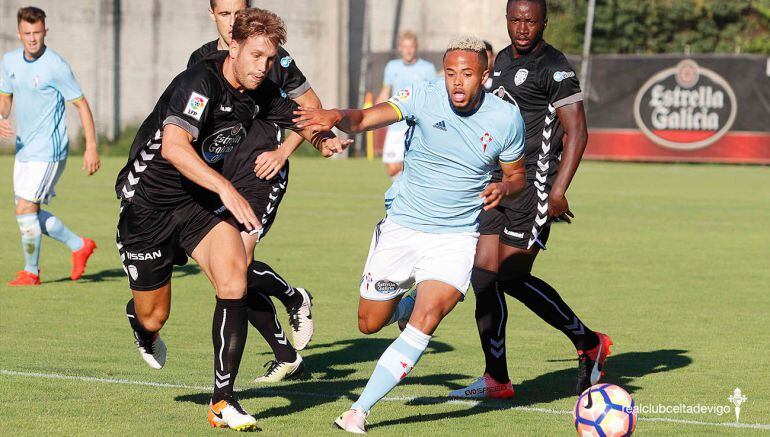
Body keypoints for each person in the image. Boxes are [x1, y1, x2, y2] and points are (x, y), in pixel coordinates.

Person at [115, 8, 348, 430]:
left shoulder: (258, 91)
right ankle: (141, 323)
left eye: (270, 59)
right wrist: (225, 188)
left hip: (196, 203)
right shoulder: (199, 82)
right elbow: (174, 147)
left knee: (234, 278)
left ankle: (222, 402)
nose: (264, 67)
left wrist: (324, 138)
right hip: (147, 204)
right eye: (256, 56)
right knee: (154, 315)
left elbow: (299, 117)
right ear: (234, 46)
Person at [295, 35, 526, 434]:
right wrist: (336, 115)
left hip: (455, 238)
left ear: (485, 75)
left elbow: (517, 174)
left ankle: (359, 411)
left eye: (467, 74)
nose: (457, 82)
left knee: (428, 318)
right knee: (369, 322)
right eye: (451, 73)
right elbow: (366, 118)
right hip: (403, 226)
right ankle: (403, 305)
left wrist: (504, 188)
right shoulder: (423, 94)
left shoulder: (507, 118)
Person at [449, 0, 611, 400]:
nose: (523, 27)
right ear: (507, 20)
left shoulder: (554, 67)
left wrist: (557, 191)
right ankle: (496, 379)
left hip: (535, 186)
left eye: (531, 20)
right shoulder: (500, 60)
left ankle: (589, 342)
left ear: (543, 23)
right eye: (516, 19)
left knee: (511, 276)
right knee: (483, 277)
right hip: (499, 183)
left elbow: (579, 132)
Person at [188, 0, 324, 382]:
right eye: (225, 14)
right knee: (226, 279)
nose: (233, 22)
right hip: (221, 179)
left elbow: (312, 108)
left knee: (237, 269)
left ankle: (295, 300)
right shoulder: (200, 61)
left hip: (261, 174)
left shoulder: (273, 56)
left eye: (238, 12)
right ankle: (285, 350)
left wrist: (282, 152)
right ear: (211, 15)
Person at [1, 6, 99, 286]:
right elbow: (6, 98)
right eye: (27, 33)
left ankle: (31, 272)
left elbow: (81, 104)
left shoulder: (56, 65)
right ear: (19, 34)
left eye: (37, 32)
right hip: (25, 148)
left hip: (50, 150)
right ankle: (80, 246)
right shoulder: (9, 62)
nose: (32, 38)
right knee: (27, 211)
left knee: (25, 210)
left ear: (46, 31)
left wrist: (91, 145)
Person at [375, 31, 436, 179]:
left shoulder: (427, 68)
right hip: (396, 123)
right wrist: (374, 112)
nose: (408, 50)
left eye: (411, 47)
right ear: (400, 48)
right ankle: (410, 162)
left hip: (417, 125)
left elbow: (434, 96)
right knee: (391, 169)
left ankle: (412, 166)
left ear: (416, 47)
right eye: (405, 47)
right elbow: (385, 91)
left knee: (407, 170)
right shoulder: (392, 66)